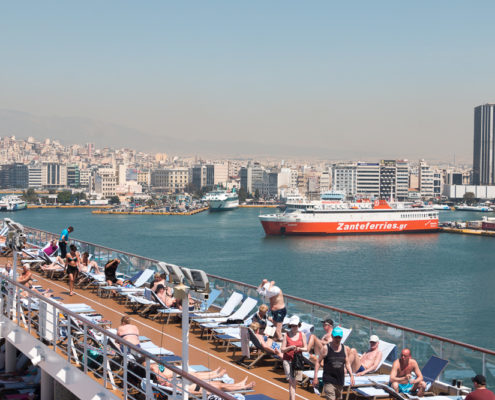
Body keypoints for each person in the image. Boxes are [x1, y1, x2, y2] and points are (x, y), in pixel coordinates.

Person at [313, 326, 355, 400]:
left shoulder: (344, 348)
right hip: (329, 380)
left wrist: (351, 375)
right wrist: (315, 377)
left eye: (339, 337)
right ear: (332, 336)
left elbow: (347, 363)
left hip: (340, 381)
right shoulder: (326, 348)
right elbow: (318, 361)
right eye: (336, 337)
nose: (337, 339)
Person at [282, 315, 307, 400]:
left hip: (297, 361)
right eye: (292, 326)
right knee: (291, 381)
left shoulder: (302, 334)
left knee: (294, 382)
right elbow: (282, 349)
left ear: (298, 325)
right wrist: (290, 348)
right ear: (290, 326)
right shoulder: (286, 335)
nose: (294, 327)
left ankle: (291, 398)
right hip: (288, 360)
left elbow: (306, 348)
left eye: (295, 326)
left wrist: (299, 348)